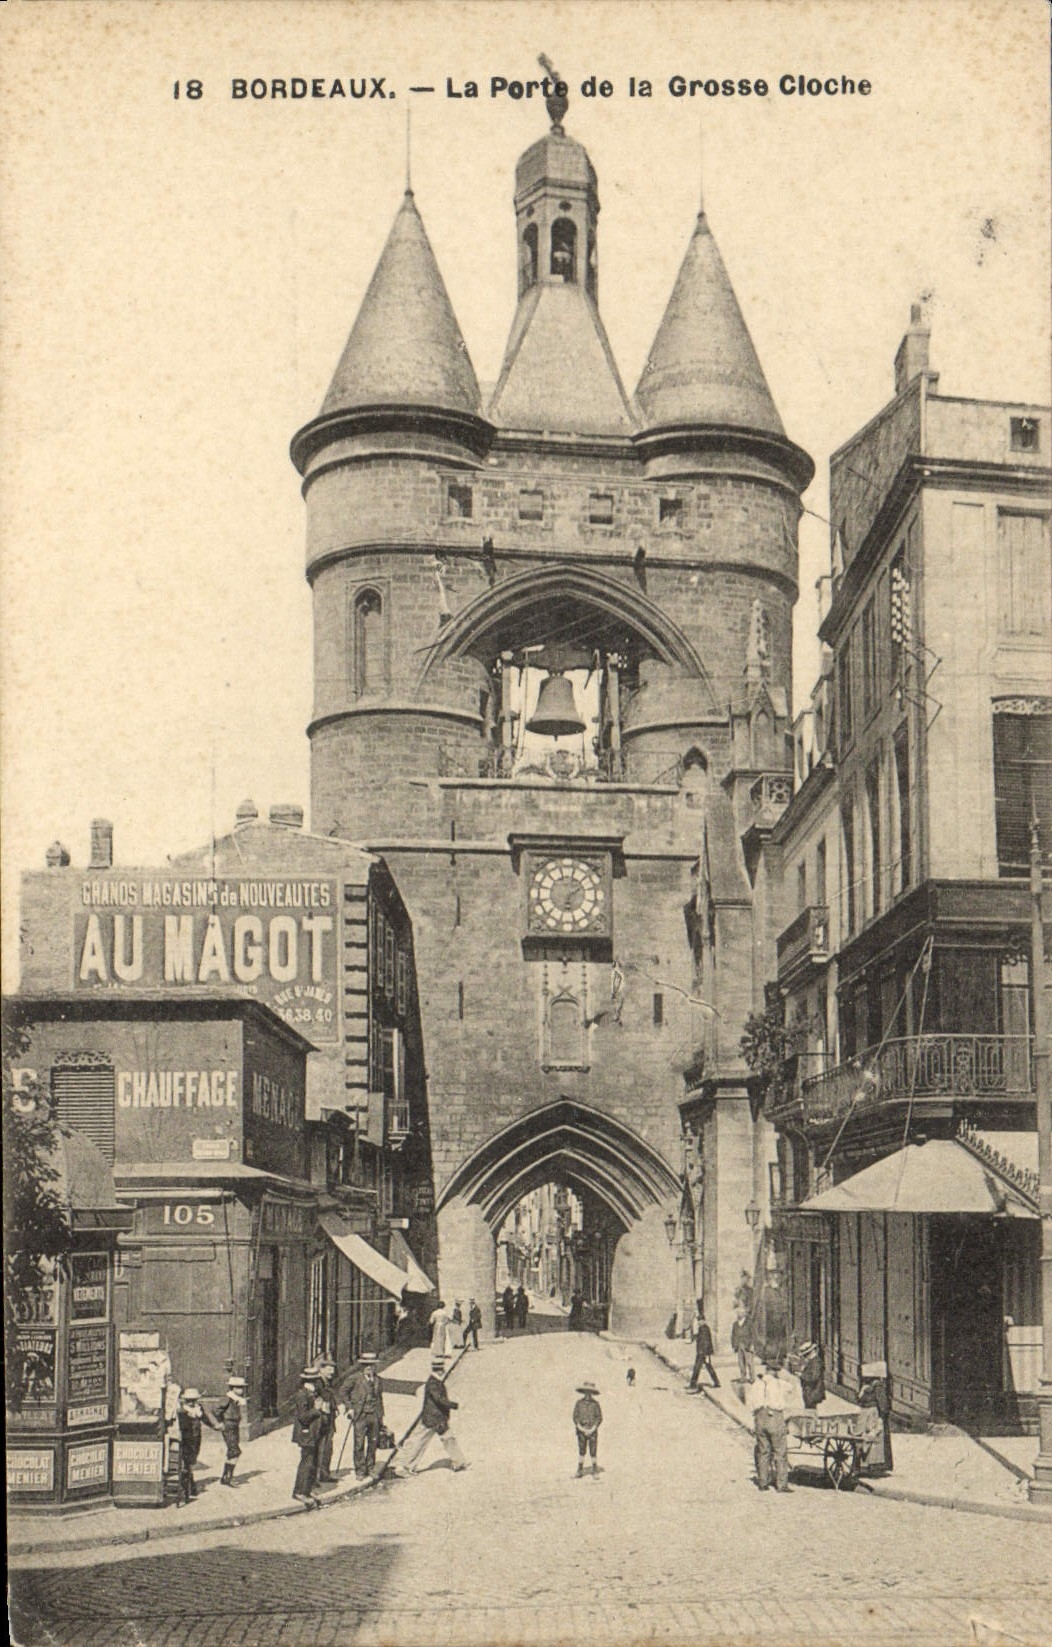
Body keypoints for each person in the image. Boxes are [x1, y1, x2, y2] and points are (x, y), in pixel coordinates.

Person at [397, 1358, 468, 1475]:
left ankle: (459, 1462)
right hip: (433, 1419)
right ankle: (405, 1466)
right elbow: (440, 1400)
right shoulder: (433, 1383)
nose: (443, 1370)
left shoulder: (435, 1381)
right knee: (420, 1441)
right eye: (441, 1369)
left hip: (437, 1418)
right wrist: (456, 1405)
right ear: (440, 1370)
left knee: (447, 1439)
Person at [746, 1354, 798, 1493]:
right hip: (774, 1417)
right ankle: (781, 1485)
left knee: (763, 1451)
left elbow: (749, 1402)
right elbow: (792, 1387)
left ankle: (763, 1482)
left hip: (759, 1417)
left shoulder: (756, 1384)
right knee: (780, 1452)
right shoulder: (778, 1383)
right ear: (776, 1371)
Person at [341, 1351, 386, 1479]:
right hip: (360, 1415)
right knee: (359, 1443)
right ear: (362, 1366)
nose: (369, 1368)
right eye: (367, 1365)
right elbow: (343, 1391)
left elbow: (379, 1398)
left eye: (372, 1365)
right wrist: (349, 1407)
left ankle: (370, 1467)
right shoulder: (355, 1378)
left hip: (374, 1415)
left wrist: (381, 1416)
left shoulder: (378, 1380)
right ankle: (360, 1470)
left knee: (373, 1442)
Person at [176, 1386, 220, 1504]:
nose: (191, 1403)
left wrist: (214, 1426)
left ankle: (190, 1485)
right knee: (187, 1462)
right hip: (186, 1439)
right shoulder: (182, 1411)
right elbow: (181, 1426)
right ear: (185, 1400)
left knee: (192, 1460)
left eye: (193, 1400)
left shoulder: (198, 1408)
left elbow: (205, 1418)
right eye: (189, 1400)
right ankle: (189, 1487)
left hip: (196, 1438)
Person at [291, 1369, 324, 1506]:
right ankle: (299, 1492)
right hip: (306, 1434)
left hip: (313, 1433)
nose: (317, 1383)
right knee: (306, 1463)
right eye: (315, 1380)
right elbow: (303, 1417)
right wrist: (317, 1409)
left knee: (312, 1463)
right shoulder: (302, 1395)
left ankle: (307, 1490)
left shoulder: (311, 1393)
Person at [212, 1375, 247, 1487]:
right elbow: (216, 1410)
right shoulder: (227, 1398)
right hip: (229, 1426)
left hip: (234, 1426)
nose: (242, 1390)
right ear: (233, 1388)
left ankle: (226, 1477)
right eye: (239, 1387)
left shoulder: (235, 1399)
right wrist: (220, 1422)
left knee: (232, 1451)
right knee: (235, 1451)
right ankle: (228, 1477)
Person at [313, 1357, 339, 1482]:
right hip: (322, 1420)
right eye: (329, 1369)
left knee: (327, 1448)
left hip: (329, 1419)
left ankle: (324, 1474)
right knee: (321, 1448)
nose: (332, 1372)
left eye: (333, 1369)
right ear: (321, 1369)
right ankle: (317, 1476)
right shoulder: (318, 1383)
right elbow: (318, 1401)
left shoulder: (327, 1382)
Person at [572, 1381, 603, 1477]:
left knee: (593, 1451)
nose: (588, 1394)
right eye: (586, 1391)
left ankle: (594, 1470)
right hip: (581, 1431)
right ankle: (579, 1470)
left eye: (590, 1392)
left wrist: (593, 1428)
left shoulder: (595, 1404)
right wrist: (581, 1428)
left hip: (592, 1431)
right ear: (584, 1392)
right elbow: (575, 1417)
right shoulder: (579, 1403)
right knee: (582, 1450)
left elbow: (599, 1418)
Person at [687, 1302, 720, 1390]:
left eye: (700, 1321)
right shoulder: (702, 1329)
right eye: (699, 1321)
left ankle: (693, 1385)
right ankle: (716, 1382)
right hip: (701, 1352)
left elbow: (706, 1342)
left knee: (698, 1368)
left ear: (704, 1321)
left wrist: (706, 1354)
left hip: (703, 1353)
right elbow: (697, 1338)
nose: (699, 1322)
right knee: (704, 1368)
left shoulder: (704, 1329)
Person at [797, 1341, 826, 1410]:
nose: (805, 1357)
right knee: (809, 1408)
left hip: (813, 1391)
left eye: (806, 1355)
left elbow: (814, 1377)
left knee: (810, 1410)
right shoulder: (812, 1361)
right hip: (810, 1391)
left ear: (810, 1353)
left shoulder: (816, 1362)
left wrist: (801, 1375)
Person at [731, 1303, 754, 1383]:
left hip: (747, 1344)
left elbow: (753, 1334)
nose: (738, 1314)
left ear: (744, 1314)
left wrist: (752, 1345)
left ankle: (752, 1378)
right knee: (741, 1362)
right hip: (739, 1345)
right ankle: (743, 1377)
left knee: (749, 1362)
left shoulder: (749, 1323)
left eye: (740, 1313)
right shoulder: (735, 1324)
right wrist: (734, 1345)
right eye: (738, 1313)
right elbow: (733, 1335)